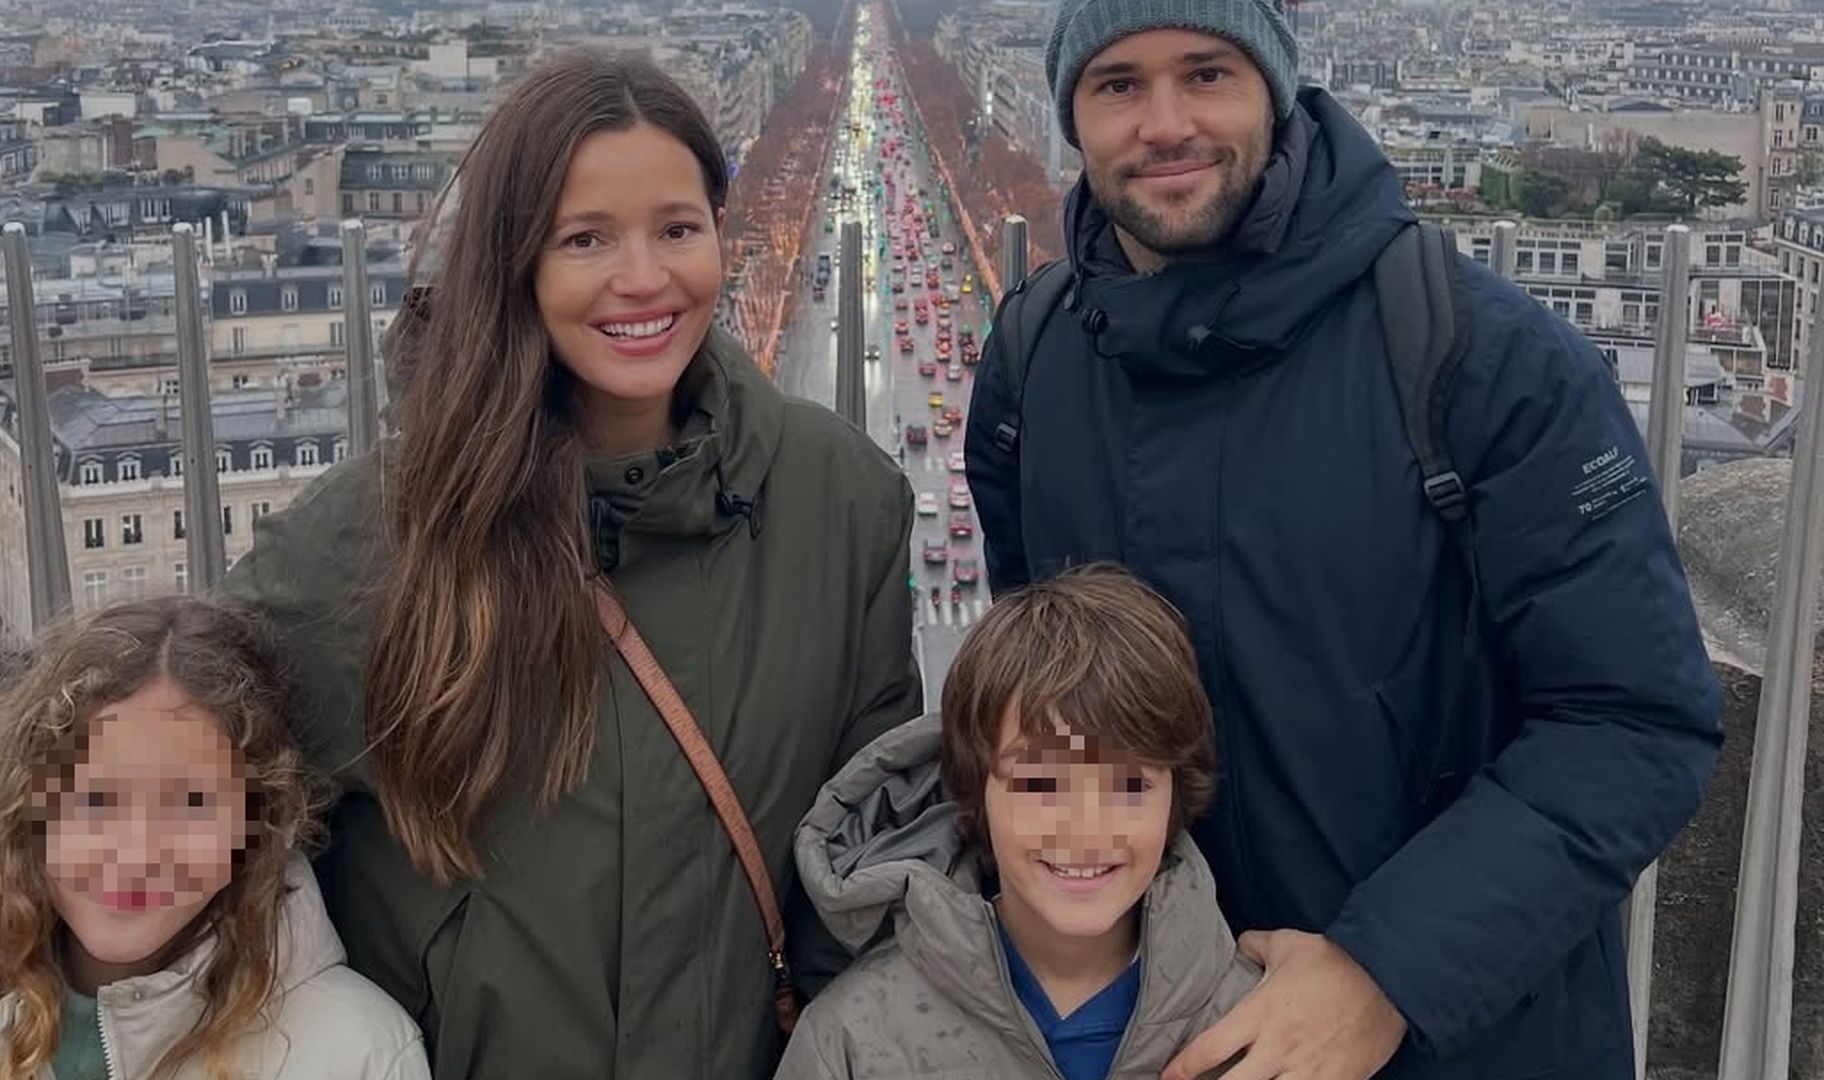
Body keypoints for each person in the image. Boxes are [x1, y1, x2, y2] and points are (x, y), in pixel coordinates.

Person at [962, 2, 1725, 1078]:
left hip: (1455, 1038)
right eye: (1118, 84)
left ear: (1275, 88)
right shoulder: (1030, 363)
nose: (1165, 120)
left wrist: (1388, 973)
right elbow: (1046, 695)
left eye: (1206, 73)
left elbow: (1634, 721)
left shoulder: (1491, 362)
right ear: (1072, 118)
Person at [221, 49, 922, 1079]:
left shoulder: (846, 503)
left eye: (678, 229)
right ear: (514, 262)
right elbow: (184, 813)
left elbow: (872, 851)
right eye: (585, 238)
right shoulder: (354, 549)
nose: (644, 278)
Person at [0, 597, 428, 1080]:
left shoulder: (359, 1054)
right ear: (25, 804)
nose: (136, 852)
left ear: (257, 825)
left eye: (193, 805)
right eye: (95, 800)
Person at [777, 565, 1257, 1079]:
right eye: (1041, 784)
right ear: (973, 790)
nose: (1084, 829)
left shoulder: (1269, 1027)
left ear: (1175, 798)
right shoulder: (852, 1040)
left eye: (1127, 785)